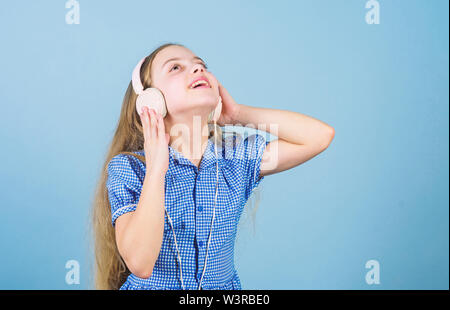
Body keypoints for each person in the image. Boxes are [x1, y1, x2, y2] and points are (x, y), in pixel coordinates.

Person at [91, 42, 335, 290]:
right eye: (175, 67)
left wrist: (238, 114)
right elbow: (140, 264)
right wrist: (156, 170)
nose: (198, 70)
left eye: (201, 65)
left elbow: (319, 136)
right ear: (151, 100)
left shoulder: (235, 157)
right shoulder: (130, 167)